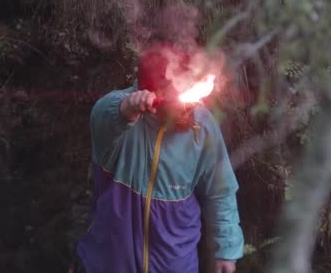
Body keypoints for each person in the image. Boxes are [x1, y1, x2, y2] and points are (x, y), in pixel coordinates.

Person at [72, 42, 244, 273]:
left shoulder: (202, 127)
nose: (190, 106)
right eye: (180, 91)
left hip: (175, 264)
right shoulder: (120, 115)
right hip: (111, 262)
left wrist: (226, 250)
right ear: (152, 93)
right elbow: (104, 115)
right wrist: (125, 110)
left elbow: (220, 191)